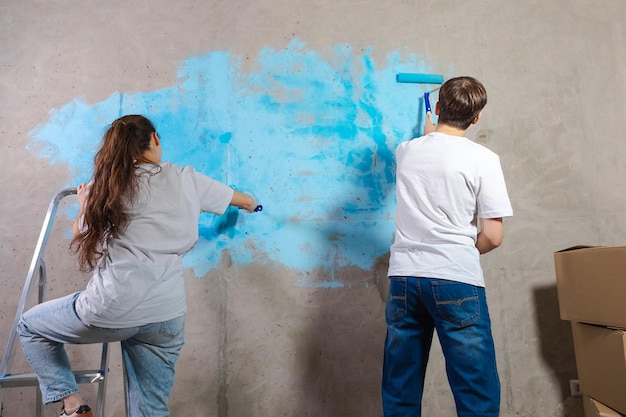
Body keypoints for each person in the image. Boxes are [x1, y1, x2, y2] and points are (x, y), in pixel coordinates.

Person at [17, 114, 259, 417]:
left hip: (112, 308)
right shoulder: (186, 178)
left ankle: (73, 406)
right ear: (154, 139)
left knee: (29, 325)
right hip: (166, 315)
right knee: (151, 410)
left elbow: (84, 234)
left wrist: (83, 203)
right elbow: (242, 200)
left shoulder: (103, 188)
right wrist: (253, 204)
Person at [382, 76, 513, 417]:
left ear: (438, 108)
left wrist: (428, 134)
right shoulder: (483, 158)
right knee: (475, 392)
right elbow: (493, 236)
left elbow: (428, 146)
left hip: (404, 280)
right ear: (477, 117)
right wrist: (461, 251)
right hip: (456, 278)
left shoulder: (406, 151)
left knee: (400, 389)